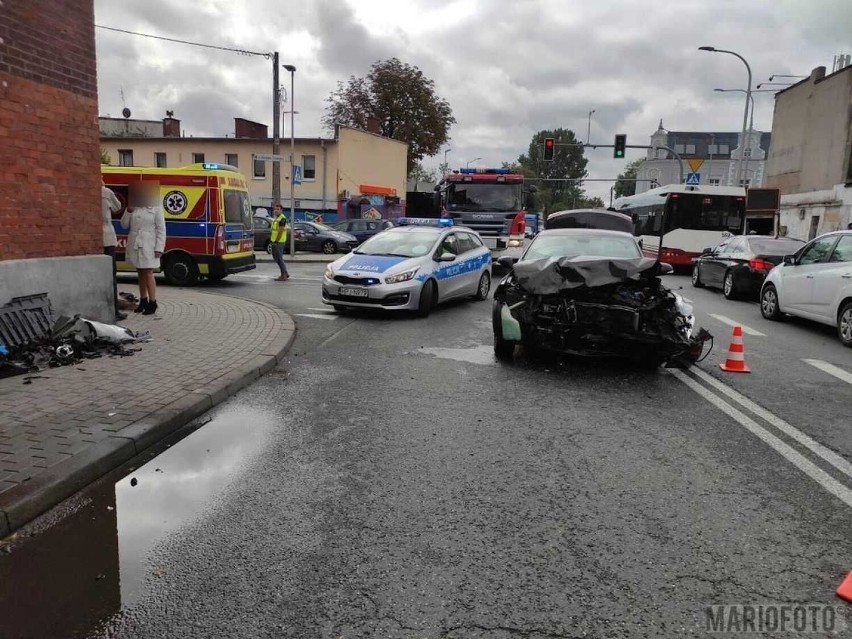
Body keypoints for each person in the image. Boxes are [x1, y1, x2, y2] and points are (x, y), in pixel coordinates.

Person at [121, 181, 166, 315]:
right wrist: (129, 210)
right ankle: (143, 300)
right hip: (135, 243)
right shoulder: (135, 208)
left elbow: (161, 229)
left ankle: (153, 302)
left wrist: (159, 247)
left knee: (148, 272)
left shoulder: (156, 208)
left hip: (149, 244)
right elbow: (124, 225)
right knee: (140, 272)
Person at [102, 180, 126, 321]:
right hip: (107, 237)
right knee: (111, 276)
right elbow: (118, 207)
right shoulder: (106, 192)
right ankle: (114, 311)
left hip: (92, 237)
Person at [269, 203, 290, 282]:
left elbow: (280, 231)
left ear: (281, 210)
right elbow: (274, 230)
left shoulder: (282, 219)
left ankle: (283, 274)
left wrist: (276, 241)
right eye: (275, 209)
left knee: (279, 258)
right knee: (276, 257)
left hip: (279, 241)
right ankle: (285, 273)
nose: (276, 211)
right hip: (275, 241)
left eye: (278, 209)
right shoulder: (276, 218)